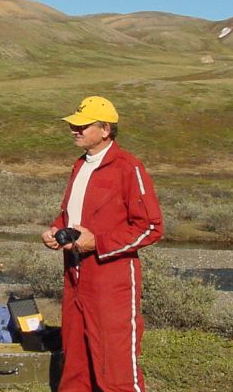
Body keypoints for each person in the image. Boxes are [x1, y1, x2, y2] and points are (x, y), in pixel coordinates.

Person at [41, 96, 163, 392]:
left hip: (112, 278)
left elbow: (150, 226)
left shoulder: (128, 167)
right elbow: (72, 213)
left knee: (116, 362)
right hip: (74, 275)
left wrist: (99, 243)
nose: (75, 129)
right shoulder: (80, 166)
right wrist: (57, 230)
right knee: (76, 358)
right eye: (73, 124)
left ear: (106, 129)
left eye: (82, 125)